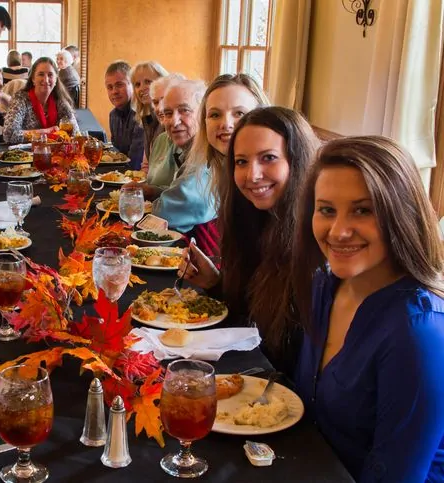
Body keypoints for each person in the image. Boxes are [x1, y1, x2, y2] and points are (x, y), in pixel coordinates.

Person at [292, 136, 444, 481]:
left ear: (400, 214)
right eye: (327, 210)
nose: (339, 231)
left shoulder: (418, 331)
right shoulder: (323, 285)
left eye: (363, 210)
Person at [183, 107, 318, 374]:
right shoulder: (251, 219)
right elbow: (249, 314)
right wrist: (215, 284)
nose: (252, 175)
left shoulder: (315, 242)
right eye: (241, 162)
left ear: (298, 162)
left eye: (268, 158)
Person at [150, 80, 218, 250]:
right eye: (167, 113)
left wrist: (157, 198)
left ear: (204, 114)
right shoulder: (187, 150)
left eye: (184, 110)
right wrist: (157, 192)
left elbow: (164, 215)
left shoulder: (207, 157)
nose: (174, 121)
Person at [186, 73, 269, 200]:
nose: (226, 124)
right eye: (215, 115)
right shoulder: (213, 174)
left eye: (239, 113)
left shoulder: (270, 179)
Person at [3, 57, 79, 144]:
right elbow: (9, 135)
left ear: (56, 79)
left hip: (57, 155)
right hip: (27, 155)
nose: (46, 80)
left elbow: (75, 133)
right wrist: (46, 132)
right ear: (33, 79)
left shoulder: (60, 100)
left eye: (50, 75)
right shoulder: (21, 99)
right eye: (41, 74)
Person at [105, 60, 144, 169]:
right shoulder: (113, 115)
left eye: (119, 85)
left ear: (132, 84)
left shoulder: (141, 116)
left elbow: (135, 163)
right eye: (110, 87)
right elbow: (118, 155)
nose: (114, 91)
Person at [131, 61, 168, 159]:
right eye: (137, 84)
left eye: (148, 82)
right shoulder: (147, 119)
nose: (141, 88)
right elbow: (148, 163)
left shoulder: (169, 119)